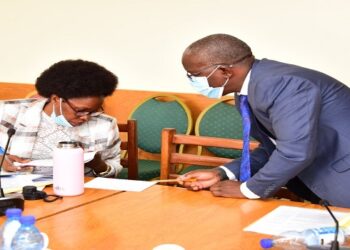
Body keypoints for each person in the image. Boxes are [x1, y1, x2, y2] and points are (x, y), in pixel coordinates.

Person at [179, 33, 350, 208]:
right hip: (320, 177)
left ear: (225, 71)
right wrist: (223, 173)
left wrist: (248, 190)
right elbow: (272, 147)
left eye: (195, 75)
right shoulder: (248, 90)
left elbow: (294, 151)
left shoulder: (281, 84)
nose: (193, 81)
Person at [0, 59, 122, 177]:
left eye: (93, 111)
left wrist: (98, 165)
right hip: (18, 189)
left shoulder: (104, 124)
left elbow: (114, 168)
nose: (86, 118)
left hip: (79, 190)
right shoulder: (9, 112)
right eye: (80, 111)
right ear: (56, 99)